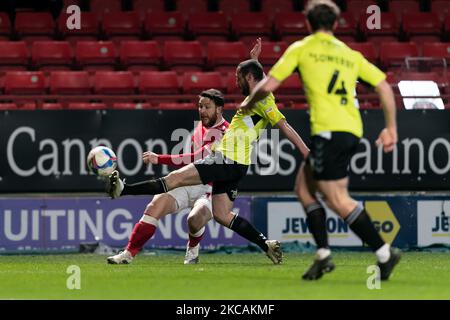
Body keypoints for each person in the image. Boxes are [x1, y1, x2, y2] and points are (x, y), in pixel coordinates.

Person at [106, 41, 310, 266]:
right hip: (238, 166)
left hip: (225, 158)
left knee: (174, 179)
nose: (236, 80)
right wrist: (255, 61)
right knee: (222, 215)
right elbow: (260, 81)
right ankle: (266, 245)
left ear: (250, 78)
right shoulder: (262, 95)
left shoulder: (262, 99)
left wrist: (306, 151)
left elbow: (284, 126)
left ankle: (123, 190)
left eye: (239, 76)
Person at [241, 0, 401, 281]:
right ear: (335, 24)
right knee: (304, 188)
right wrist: (391, 128)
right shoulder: (350, 54)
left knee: (338, 199)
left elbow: (268, 86)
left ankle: (384, 252)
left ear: (308, 23)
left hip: (329, 132)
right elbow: (384, 87)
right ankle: (323, 254)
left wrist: (246, 104)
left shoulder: (302, 48)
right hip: (351, 129)